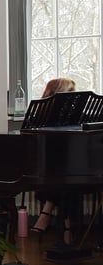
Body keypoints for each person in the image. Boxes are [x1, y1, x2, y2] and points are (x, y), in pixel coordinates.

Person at [31, 78, 78, 241]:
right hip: (45, 168)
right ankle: (67, 226)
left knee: (69, 176)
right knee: (63, 177)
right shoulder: (39, 115)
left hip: (71, 168)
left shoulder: (76, 117)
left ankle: (47, 211)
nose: (73, 98)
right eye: (69, 93)